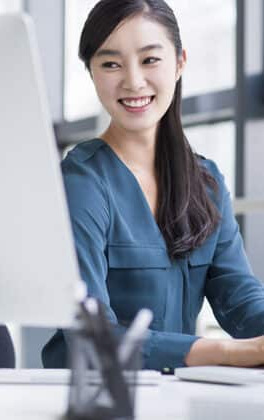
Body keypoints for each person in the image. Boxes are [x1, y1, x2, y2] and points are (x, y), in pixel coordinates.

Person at [42, 0, 264, 371]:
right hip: (93, 398)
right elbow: (91, 336)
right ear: (92, 72)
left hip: (173, 394)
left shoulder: (205, 182)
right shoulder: (81, 182)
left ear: (179, 63)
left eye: (149, 60)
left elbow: (239, 297)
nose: (133, 81)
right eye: (111, 63)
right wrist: (224, 353)